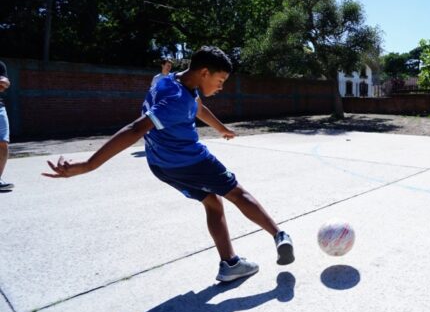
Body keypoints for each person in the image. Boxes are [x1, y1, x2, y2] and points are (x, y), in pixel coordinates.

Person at [43, 46, 294, 281]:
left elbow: (198, 108)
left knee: (213, 202)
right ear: (204, 72)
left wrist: (221, 129)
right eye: (220, 81)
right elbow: (136, 128)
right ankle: (279, 235)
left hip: (161, 166)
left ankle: (229, 264)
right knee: (237, 193)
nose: (221, 87)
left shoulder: (171, 80)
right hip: (191, 160)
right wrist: (89, 164)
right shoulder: (176, 99)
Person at [0, 60, 13, 192]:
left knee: (3, 142)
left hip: (0, 107)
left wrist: (4, 82)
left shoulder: (1, 65)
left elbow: (5, 83)